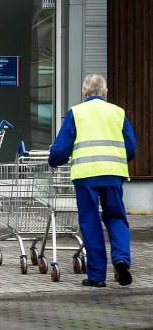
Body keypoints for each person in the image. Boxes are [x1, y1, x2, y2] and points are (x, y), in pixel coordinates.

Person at [48, 73, 136, 287]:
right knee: (116, 218)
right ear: (106, 92)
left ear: (84, 92)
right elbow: (130, 147)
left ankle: (97, 277)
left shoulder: (76, 113)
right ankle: (121, 259)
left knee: (90, 222)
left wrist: (54, 161)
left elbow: (62, 146)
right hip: (113, 174)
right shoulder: (118, 112)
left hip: (85, 176)